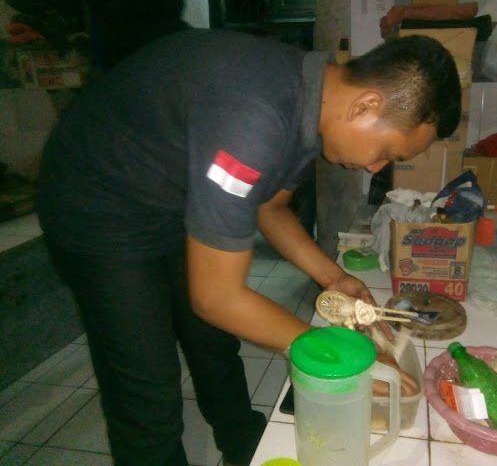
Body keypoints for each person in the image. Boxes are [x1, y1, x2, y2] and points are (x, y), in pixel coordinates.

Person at [37, 28, 461, 466]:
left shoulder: (315, 101)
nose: (375, 167)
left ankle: (242, 441)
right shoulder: (254, 118)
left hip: (169, 197)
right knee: (148, 384)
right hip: (97, 204)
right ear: (366, 105)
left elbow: (269, 208)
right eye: (386, 152)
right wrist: (339, 356)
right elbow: (217, 298)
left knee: (213, 343)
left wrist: (334, 278)